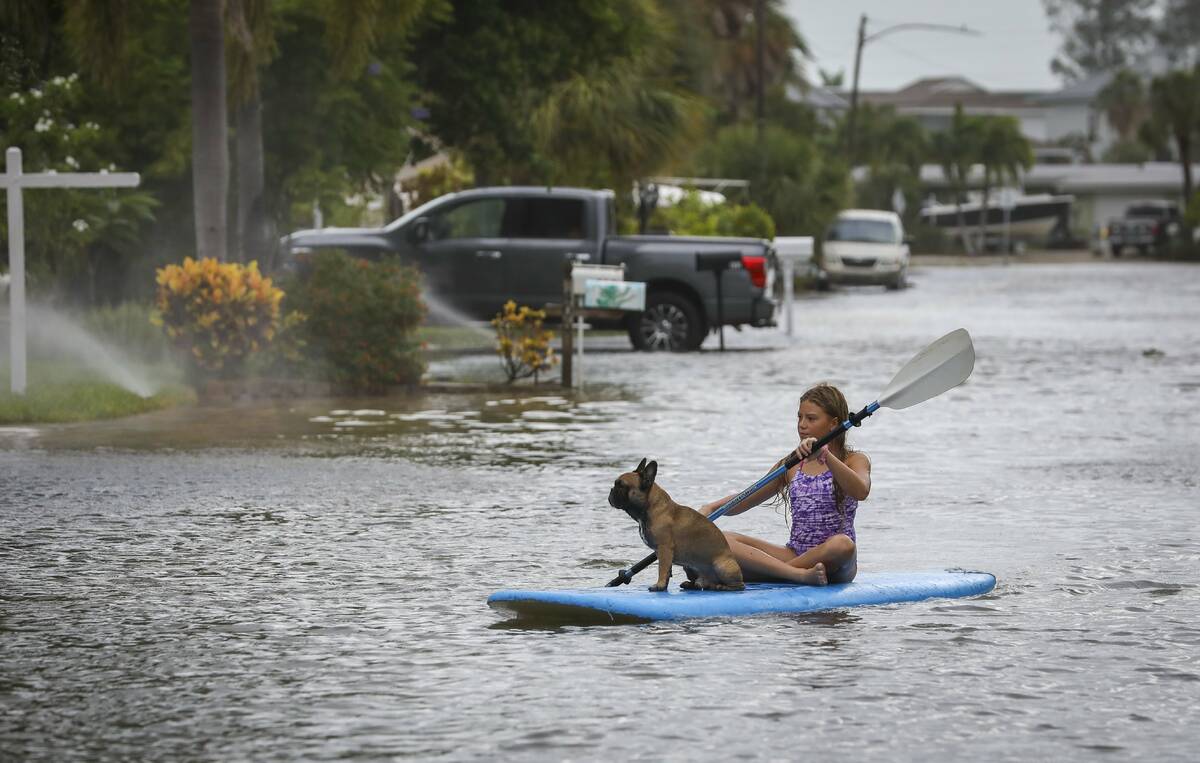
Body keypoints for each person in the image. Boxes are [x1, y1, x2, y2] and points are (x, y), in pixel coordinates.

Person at [700, 384, 871, 586]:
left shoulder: (853, 460)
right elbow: (747, 497)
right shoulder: (791, 464)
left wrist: (826, 456)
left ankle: (772, 574)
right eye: (799, 417)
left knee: (842, 544)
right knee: (722, 539)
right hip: (795, 554)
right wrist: (710, 509)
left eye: (811, 418)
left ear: (833, 423)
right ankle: (796, 574)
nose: (802, 425)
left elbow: (861, 490)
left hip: (837, 561)